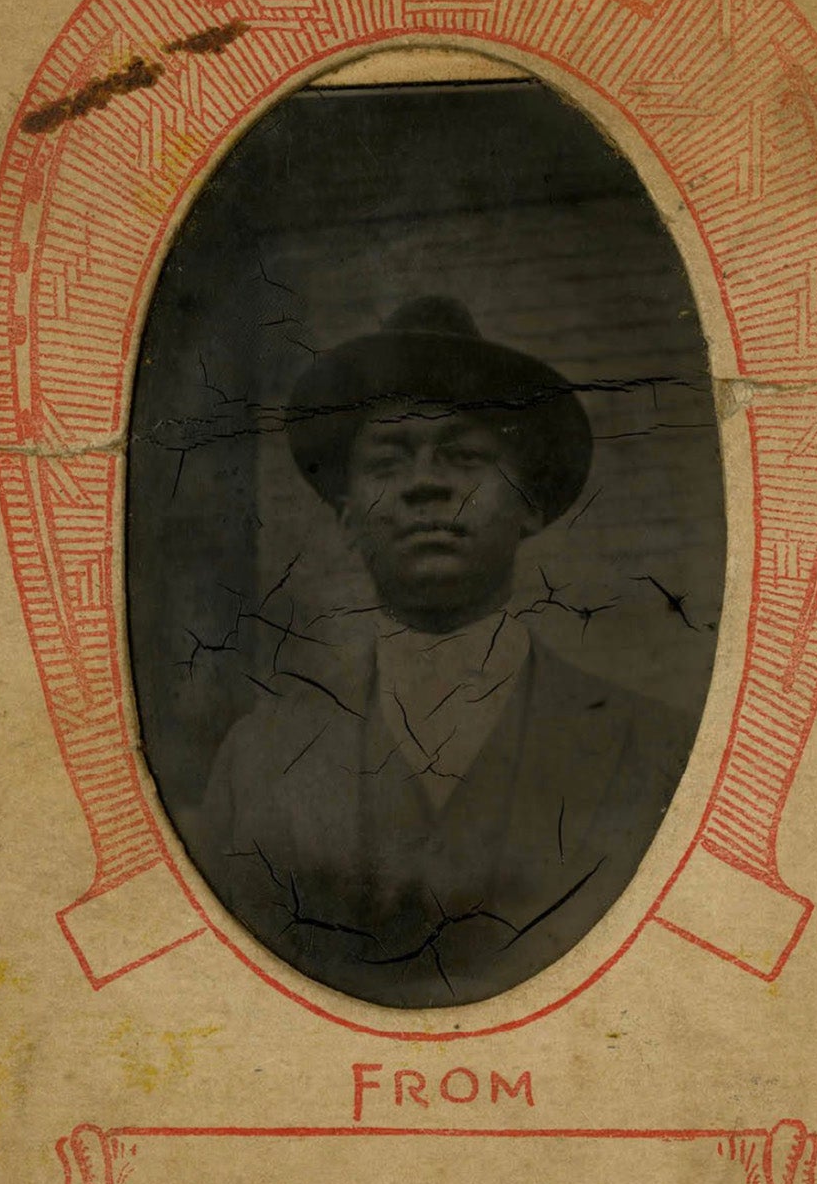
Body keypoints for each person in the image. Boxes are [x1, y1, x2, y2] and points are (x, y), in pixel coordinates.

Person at [186, 297, 694, 1007]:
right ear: (347, 516)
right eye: (389, 461)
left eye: (464, 455)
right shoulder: (257, 760)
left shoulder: (658, 748)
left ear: (530, 503)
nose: (427, 482)